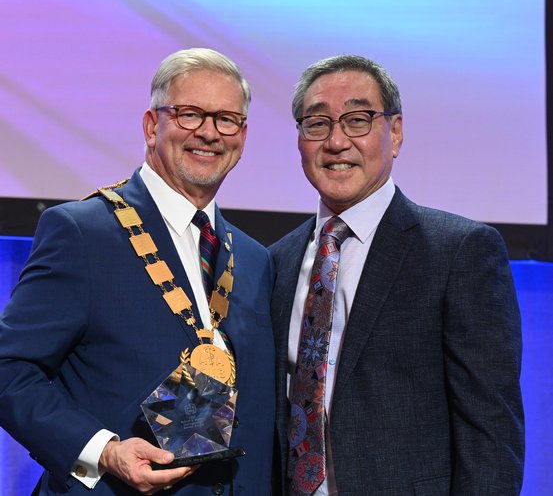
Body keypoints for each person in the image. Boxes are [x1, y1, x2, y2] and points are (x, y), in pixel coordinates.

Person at [0, 48, 275, 495]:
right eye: (189, 114)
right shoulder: (83, 232)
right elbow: (8, 367)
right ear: (151, 126)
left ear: (242, 137)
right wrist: (104, 451)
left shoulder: (256, 258)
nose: (209, 132)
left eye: (227, 118)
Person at [269, 54, 524, 495]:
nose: (336, 141)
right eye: (317, 124)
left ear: (396, 133)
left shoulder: (459, 250)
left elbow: (491, 431)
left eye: (358, 119)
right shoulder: (275, 260)